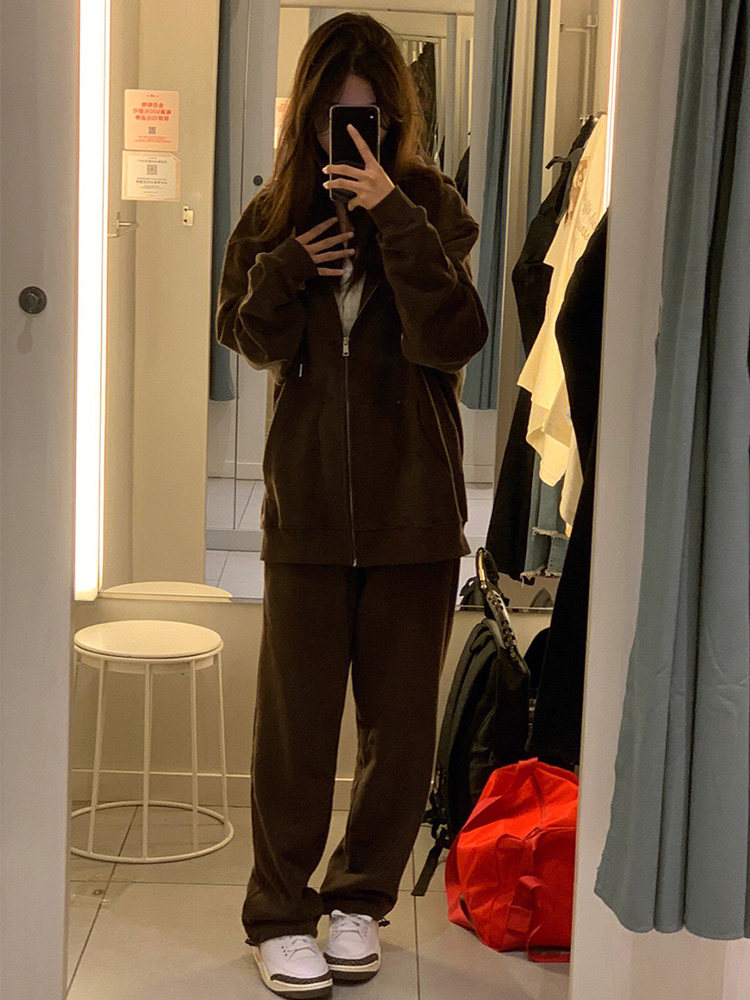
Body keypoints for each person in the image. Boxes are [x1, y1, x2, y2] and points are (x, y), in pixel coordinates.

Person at [215, 12, 488, 999]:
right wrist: (289, 264)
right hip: (307, 515)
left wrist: (394, 217)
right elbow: (246, 335)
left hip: (415, 514)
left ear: (394, 119)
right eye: (338, 116)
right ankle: (279, 913)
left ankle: (359, 900)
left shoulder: (433, 207)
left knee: (398, 731)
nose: (353, 136)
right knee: (293, 732)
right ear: (310, 118)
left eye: (368, 118)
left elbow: (455, 338)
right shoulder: (275, 209)